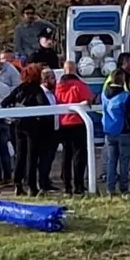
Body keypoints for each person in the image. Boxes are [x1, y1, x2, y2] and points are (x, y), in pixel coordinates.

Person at [2, 64, 51, 196]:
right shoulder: (37, 90)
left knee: (20, 155)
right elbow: (44, 106)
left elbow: (5, 102)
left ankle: (18, 184)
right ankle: (31, 186)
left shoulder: (19, 89)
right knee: (32, 157)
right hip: (33, 127)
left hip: (18, 125)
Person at [55, 61, 94, 195]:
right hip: (78, 123)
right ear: (75, 69)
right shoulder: (80, 85)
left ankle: (66, 186)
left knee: (66, 155)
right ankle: (79, 184)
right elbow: (89, 99)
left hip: (63, 124)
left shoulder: (58, 86)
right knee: (79, 155)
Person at [99, 68, 130, 196]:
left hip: (109, 130)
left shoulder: (104, 94)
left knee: (111, 161)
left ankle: (110, 188)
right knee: (124, 162)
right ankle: (124, 188)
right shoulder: (126, 96)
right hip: (124, 131)